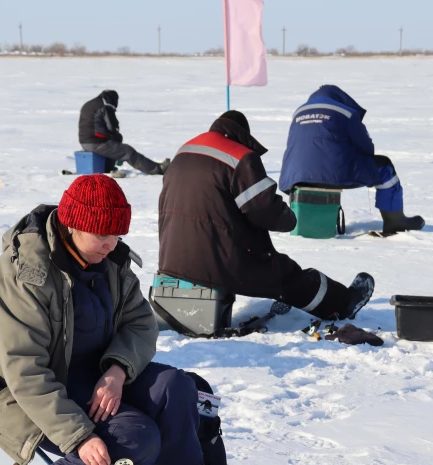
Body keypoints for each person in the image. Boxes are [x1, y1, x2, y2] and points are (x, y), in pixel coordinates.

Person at [0, 175, 229, 465]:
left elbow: (140, 323)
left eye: (117, 235)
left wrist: (117, 369)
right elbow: (24, 368)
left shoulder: (111, 262)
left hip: (91, 375)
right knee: (135, 437)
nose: (110, 244)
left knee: (177, 387)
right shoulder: (25, 274)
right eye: (101, 234)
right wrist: (79, 435)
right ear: (72, 225)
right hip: (16, 392)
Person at [157, 110, 374, 322]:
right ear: (242, 135)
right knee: (287, 276)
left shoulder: (184, 151)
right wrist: (289, 217)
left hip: (171, 260)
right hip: (216, 260)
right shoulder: (239, 156)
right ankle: (344, 304)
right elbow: (264, 210)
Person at [279, 85, 425, 236]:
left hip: (293, 177)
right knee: (384, 167)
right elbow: (366, 148)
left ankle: (304, 218)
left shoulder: (298, 113)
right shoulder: (345, 112)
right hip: (333, 173)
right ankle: (396, 220)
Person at [78, 90, 170, 176]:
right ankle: (157, 169)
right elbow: (112, 127)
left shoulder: (90, 104)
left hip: (85, 142)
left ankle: (108, 168)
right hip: (96, 143)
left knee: (115, 142)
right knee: (127, 151)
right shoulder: (105, 106)